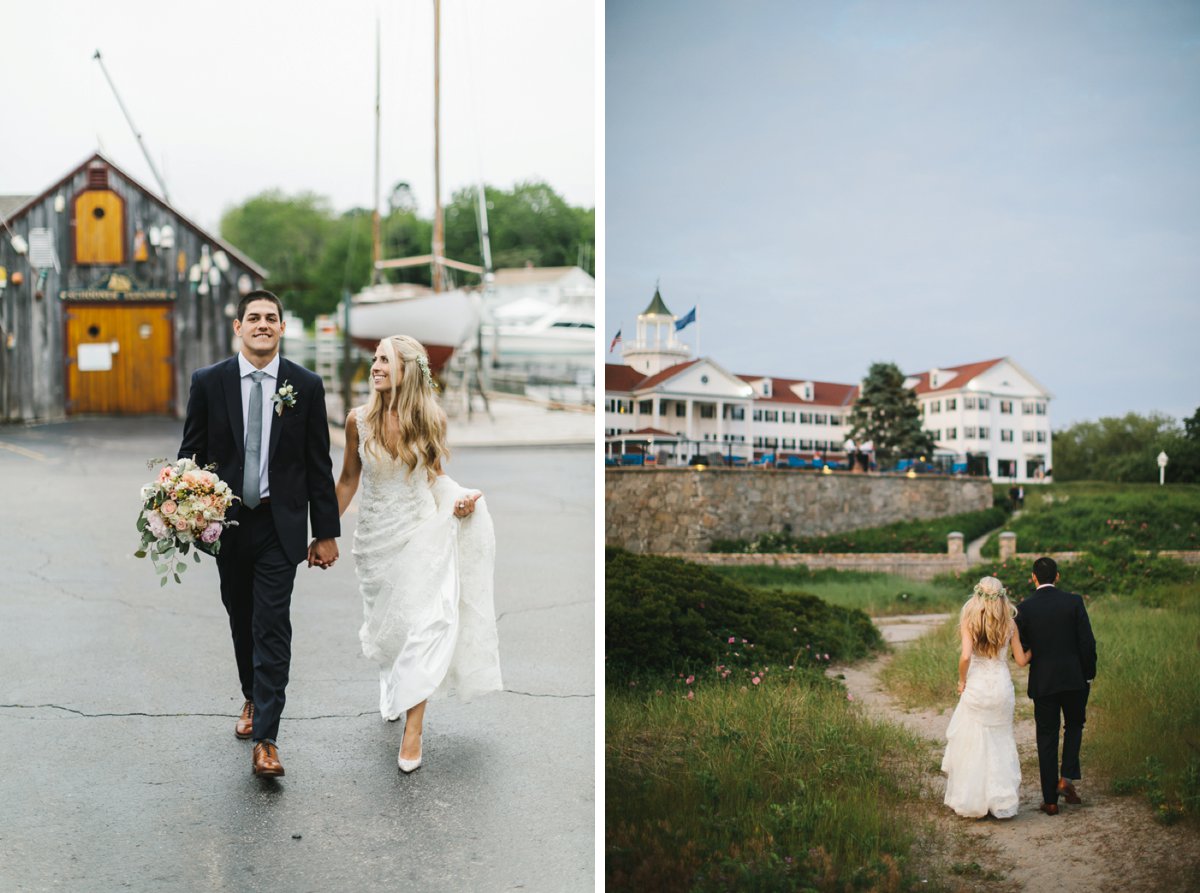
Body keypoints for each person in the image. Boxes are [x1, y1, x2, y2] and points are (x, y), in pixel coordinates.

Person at [178, 290, 340, 778]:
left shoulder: (305, 385)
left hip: (279, 524)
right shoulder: (209, 382)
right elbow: (192, 453)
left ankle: (267, 738)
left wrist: (325, 531)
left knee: (271, 624)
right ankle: (251, 695)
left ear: (282, 328)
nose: (263, 325)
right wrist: (183, 508)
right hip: (226, 524)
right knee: (241, 616)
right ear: (238, 327)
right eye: (254, 318)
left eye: (271, 318)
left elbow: (318, 463)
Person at [334, 334, 503, 773]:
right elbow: (348, 479)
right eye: (374, 360)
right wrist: (323, 532)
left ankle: (414, 729)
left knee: (426, 623)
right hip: (375, 542)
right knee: (390, 628)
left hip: (421, 532)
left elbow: (435, 478)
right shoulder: (357, 421)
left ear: (406, 369)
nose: (375, 366)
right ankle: (394, 681)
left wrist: (461, 501)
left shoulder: (431, 421)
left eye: (385, 360)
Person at [941, 576, 1031, 819]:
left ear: (978, 596)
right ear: (1002, 597)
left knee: (973, 741)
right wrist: (1040, 646)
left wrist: (962, 681)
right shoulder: (1010, 625)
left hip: (978, 686)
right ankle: (999, 801)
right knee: (1000, 741)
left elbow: (966, 657)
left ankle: (973, 800)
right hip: (1001, 687)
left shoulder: (969, 621)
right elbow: (1021, 661)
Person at [1015, 557, 1097, 816]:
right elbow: (1087, 642)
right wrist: (1088, 674)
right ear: (1057, 577)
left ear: (1033, 578)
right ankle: (1066, 778)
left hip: (1044, 682)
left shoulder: (1024, 608)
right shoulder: (1073, 602)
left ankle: (1050, 800)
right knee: (1074, 726)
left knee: (1046, 736)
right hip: (1074, 679)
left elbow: (1025, 646)